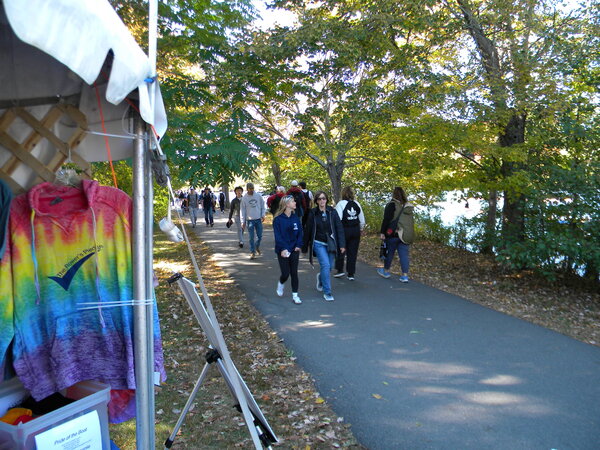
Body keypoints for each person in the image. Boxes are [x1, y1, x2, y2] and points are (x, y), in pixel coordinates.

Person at [302, 191, 345, 301]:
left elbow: (339, 228)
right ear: (316, 201)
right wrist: (304, 246)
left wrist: (342, 244)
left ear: (326, 200)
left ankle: (321, 278)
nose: (322, 201)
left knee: (330, 266)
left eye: (324, 198)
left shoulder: (332, 212)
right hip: (318, 243)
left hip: (331, 243)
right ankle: (327, 292)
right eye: (320, 199)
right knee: (325, 265)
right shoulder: (313, 213)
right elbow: (308, 230)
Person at [378, 186, 415, 282]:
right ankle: (405, 276)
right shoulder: (408, 207)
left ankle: (386, 271)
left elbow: (386, 220)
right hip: (405, 235)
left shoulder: (391, 205)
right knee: (404, 255)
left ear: (393, 194)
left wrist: (382, 232)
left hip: (393, 234)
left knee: (389, 253)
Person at [273, 195, 303, 304]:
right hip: (283, 250)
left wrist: (299, 245)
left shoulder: (296, 218)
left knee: (294, 273)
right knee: (285, 273)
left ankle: (295, 295)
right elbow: (278, 236)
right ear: (287, 204)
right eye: (293, 201)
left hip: (294, 249)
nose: (295, 202)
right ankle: (281, 283)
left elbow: (300, 233)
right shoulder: (278, 220)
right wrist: (283, 249)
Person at [334, 186, 365, 280]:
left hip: (344, 230)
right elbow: (362, 219)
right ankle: (351, 273)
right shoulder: (357, 204)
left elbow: (338, 219)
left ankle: (340, 270)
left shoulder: (340, 204)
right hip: (355, 230)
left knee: (341, 249)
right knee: (353, 252)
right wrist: (361, 228)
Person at [241, 182, 266, 259]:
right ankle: (252, 252)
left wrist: (263, 215)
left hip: (258, 219)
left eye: (252, 189)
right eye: (250, 189)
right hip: (250, 220)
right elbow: (242, 210)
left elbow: (262, 206)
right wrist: (243, 221)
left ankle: (256, 246)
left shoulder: (258, 196)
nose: (251, 190)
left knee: (260, 236)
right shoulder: (244, 198)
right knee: (251, 237)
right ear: (247, 189)